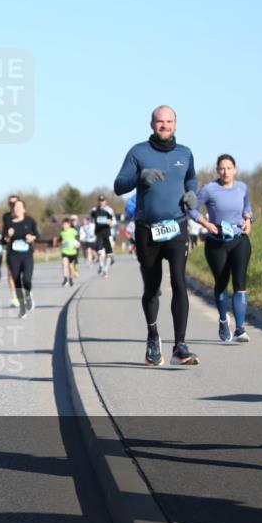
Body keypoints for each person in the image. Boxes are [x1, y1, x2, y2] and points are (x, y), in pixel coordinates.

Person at [114, 105, 199, 366]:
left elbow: (191, 179)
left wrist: (192, 193)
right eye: (160, 121)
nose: (165, 125)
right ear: (152, 124)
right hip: (147, 229)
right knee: (152, 288)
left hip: (176, 226)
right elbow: (119, 186)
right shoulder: (138, 152)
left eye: (169, 121)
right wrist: (140, 176)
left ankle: (180, 346)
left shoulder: (185, 153)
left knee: (179, 282)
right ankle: (153, 337)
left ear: (176, 124)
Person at [189, 154, 254, 343]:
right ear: (217, 170)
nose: (225, 171)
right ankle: (224, 319)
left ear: (235, 169)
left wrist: (248, 220)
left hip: (239, 239)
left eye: (229, 168)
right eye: (222, 168)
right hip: (216, 243)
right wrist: (206, 224)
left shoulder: (243, 188)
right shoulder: (209, 189)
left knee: (240, 283)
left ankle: (240, 329)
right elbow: (191, 209)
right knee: (221, 282)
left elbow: (247, 207)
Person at [3, 199, 39, 317]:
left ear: (24, 209)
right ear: (13, 209)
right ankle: (22, 308)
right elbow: (4, 240)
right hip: (13, 256)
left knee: (27, 280)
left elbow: (37, 235)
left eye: (20, 207)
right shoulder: (9, 222)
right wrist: (8, 235)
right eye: (15, 207)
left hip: (27, 255)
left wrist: (32, 237)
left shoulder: (29, 221)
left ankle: (28, 295)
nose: (17, 209)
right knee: (17, 281)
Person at [1, 194, 20, 307]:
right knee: (10, 274)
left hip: (24, 251)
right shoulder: (6, 217)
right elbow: (4, 234)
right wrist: (6, 237)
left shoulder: (26, 217)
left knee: (22, 275)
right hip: (11, 249)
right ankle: (14, 297)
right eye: (10, 203)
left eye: (15, 203)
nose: (13, 205)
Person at [90, 194, 115, 277]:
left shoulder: (109, 210)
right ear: (98, 201)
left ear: (105, 201)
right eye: (100, 201)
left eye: (103, 201)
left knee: (108, 254)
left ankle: (106, 269)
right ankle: (101, 265)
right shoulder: (94, 210)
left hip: (108, 233)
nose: (101, 202)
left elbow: (114, 221)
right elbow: (91, 221)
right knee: (100, 252)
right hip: (99, 233)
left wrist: (110, 222)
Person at [57, 216, 80, 287]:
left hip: (72, 252)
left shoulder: (73, 231)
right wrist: (61, 243)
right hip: (65, 251)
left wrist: (77, 244)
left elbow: (78, 239)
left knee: (70, 267)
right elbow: (59, 241)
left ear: (69, 225)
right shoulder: (62, 233)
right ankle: (65, 279)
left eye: (66, 224)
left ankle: (70, 278)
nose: (65, 226)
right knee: (64, 264)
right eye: (63, 225)